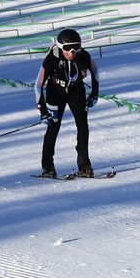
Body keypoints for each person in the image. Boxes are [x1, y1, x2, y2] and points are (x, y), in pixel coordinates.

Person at [33, 28, 101, 178]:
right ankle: (47, 166)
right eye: (67, 48)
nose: (72, 52)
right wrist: (42, 109)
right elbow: (38, 84)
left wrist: (94, 94)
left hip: (76, 91)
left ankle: (84, 165)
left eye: (76, 47)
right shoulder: (53, 58)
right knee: (53, 127)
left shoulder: (83, 55)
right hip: (55, 92)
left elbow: (95, 72)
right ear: (59, 47)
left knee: (83, 126)